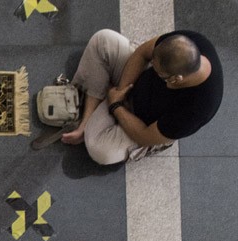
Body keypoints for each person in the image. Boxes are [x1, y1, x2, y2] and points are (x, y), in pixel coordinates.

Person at [63, 29, 223, 164]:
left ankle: (99, 94)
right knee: (103, 39)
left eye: (160, 74)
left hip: (143, 123)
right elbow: (142, 53)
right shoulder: (186, 43)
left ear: (176, 79)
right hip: (132, 83)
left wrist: (116, 105)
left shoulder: (198, 109)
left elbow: (145, 135)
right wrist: (121, 91)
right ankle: (87, 120)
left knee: (99, 150)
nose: (152, 67)